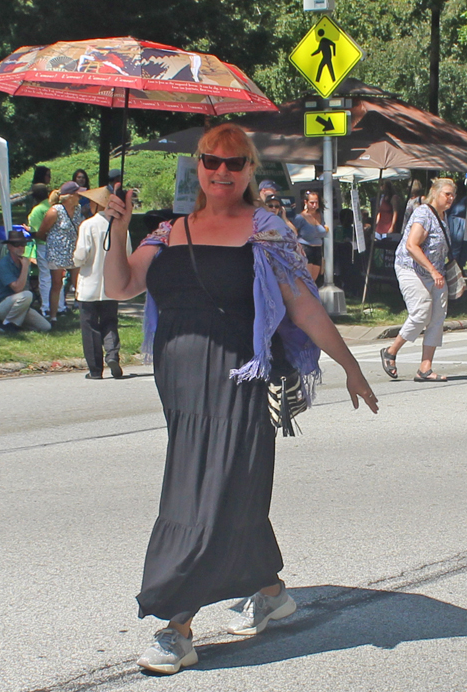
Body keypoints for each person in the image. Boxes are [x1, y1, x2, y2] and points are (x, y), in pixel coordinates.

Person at [103, 123, 378, 675]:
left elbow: (303, 307)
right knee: (230, 489)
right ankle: (271, 591)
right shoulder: (168, 232)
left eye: (234, 164)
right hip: (180, 389)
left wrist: (350, 367)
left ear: (250, 170)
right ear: (198, 168)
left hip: (237, 381)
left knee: (202, 496)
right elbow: (120, 287)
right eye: (212, 162)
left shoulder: (267, 229)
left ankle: (175, 624)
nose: (222, 172)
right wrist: (118, 230)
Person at [380, 178, 456, 383]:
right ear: (435, 193)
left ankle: (425, 368)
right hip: (412, 270)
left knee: (438, 317)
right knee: (422, 312)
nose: (451, 198)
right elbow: (412, 246)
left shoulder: (443, 215)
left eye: (453, 195)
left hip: (435, 273)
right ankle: (390, 351)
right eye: (447, 193)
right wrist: (432, 271)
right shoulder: (423, 213)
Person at [73, 187, 132, 380]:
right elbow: (128, 254)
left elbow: (81, 255)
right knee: (110, 322)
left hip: (89, 284)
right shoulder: (121, 226)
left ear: (96, 204)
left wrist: (74, 261)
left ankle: (95, 369)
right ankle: (112, 354)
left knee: (90, 326)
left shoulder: (88, 225)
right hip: (112, 284)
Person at [34, 181, 84, 324]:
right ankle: (54, 316)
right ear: (69, 196)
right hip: (57, 251)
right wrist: (54, 243)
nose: (80, 196)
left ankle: (84, 314)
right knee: (57, 283)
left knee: (78, 283)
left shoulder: (78, 209)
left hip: (73, 250)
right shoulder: (55, 211)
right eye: (77, 194)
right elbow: (42, 232)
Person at [0, 230, 52, 333]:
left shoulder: (23, 261)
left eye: (23, 244)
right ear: (9, 246)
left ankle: (6, 324)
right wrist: (25, 267)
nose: (20, 247)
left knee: (45, 327)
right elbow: (18, 288)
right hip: (0, 306)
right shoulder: (3, 264)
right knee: (27, 295)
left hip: (19, 306)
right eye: (16, 244)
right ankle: (8, 324)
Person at [27, 183, 66, 317]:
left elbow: (38, 232)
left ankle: (46, 307)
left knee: (45, 277)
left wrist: (28, 230)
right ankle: (60, 307)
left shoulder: (37, 210)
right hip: (58, 245)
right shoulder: (55, 207)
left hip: (44, 245)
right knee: (58, 277)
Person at [293, 190, 328, 281]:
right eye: (312, 202)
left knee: (314, 280)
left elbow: (324, 230)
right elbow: (293, 232)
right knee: (306, 279)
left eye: (316, 202)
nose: (314, 205)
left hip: (317, 249)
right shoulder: (300, 217)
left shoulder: (320, 215)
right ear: (306, 202)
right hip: (305, 249)